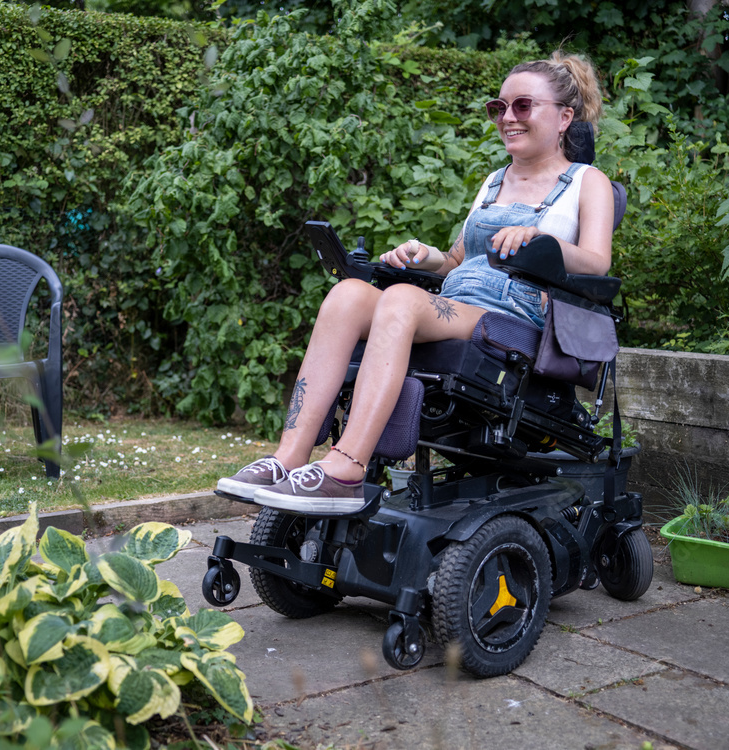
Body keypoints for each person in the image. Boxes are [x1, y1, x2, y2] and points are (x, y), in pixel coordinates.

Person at [217, 51, 615, 514]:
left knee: (402, 300)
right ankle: (287, 457)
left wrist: (543, 240)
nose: (507, 117)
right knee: (348, 294)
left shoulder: (588, 181)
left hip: (515, 316)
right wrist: (426, 257)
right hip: (459, 302)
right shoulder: (493, 181)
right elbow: (459, 261)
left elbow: (597, 263)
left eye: (522, 106)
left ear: (565, 116)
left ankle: (345, 468)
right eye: (498, 107)